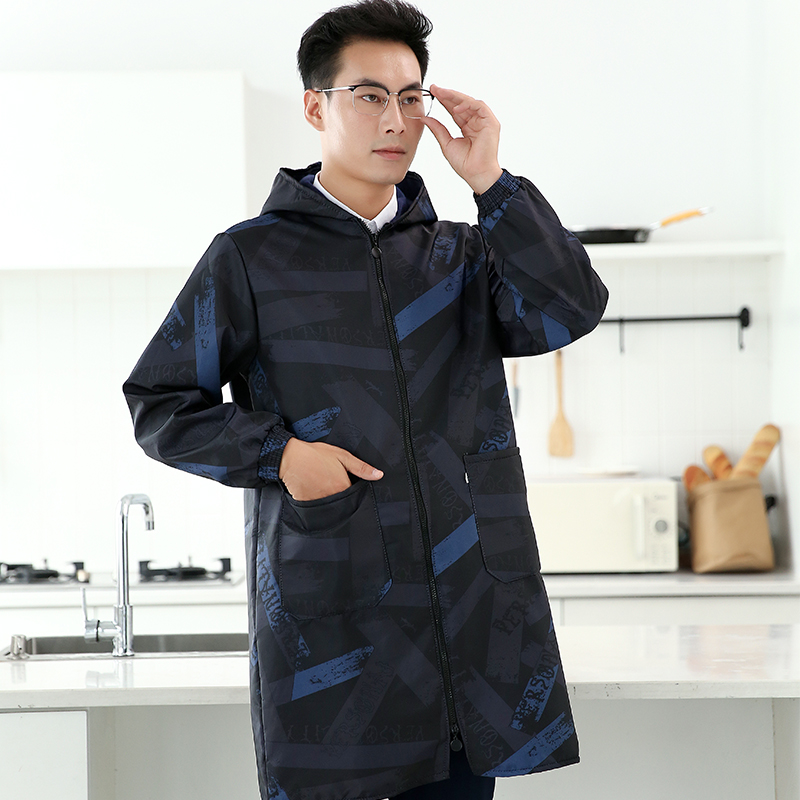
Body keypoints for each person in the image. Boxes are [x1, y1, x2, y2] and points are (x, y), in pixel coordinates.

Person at [123, 1, 609, 798]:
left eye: (411, 97)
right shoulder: (250, 259)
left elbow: (571, 308)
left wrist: (491, 181)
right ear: (315, 107)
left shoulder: (463, 256)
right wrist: (282, 455)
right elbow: (159, 401)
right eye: (370, 95)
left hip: (471, 630)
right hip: (338, 638)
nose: (396, 119)